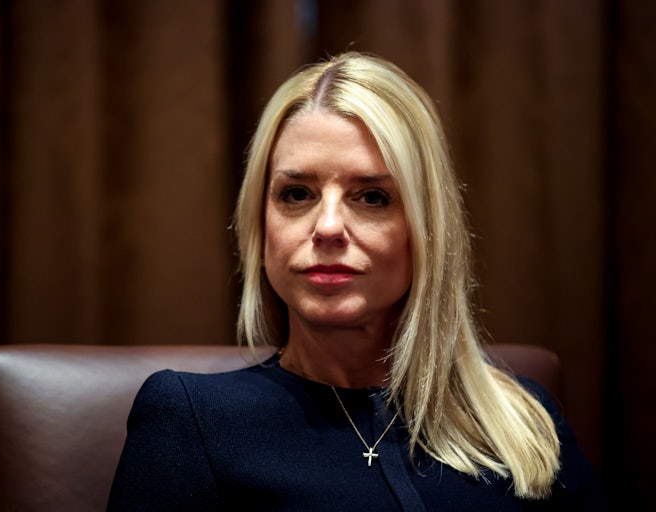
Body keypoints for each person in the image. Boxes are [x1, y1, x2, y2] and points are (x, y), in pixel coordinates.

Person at [107, 51, 606, 511]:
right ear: (261, 225)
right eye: (297, 193)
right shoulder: (192, 420)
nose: (326, 228)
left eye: (372, 198)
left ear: (426, 229)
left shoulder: (523, 422)